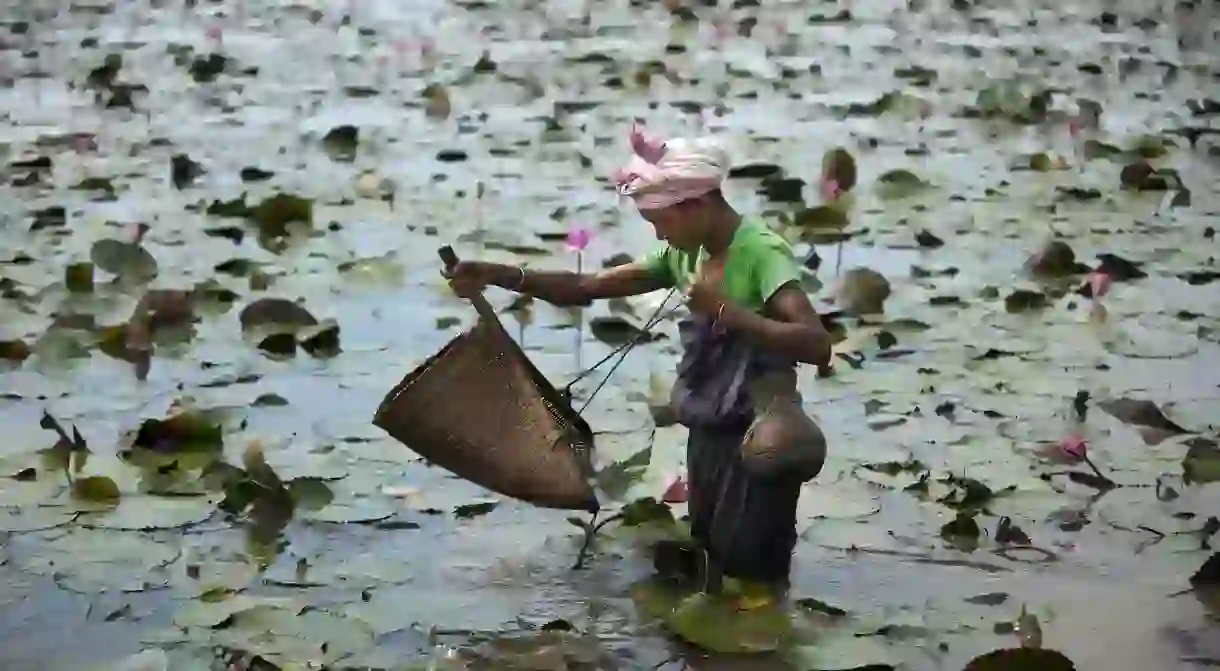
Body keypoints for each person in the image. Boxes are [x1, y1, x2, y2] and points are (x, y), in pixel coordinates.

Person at [444, 125, 833, 590]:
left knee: (755, 565)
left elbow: (816, 343)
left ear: (697, 204)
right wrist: (499, 274)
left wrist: (728, 313)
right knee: (712, 550)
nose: (656, 232)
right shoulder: (685, 253)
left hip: (758, 433)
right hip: (709, 426)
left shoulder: (761, 253)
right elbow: (586, 287)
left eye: (660, 220)